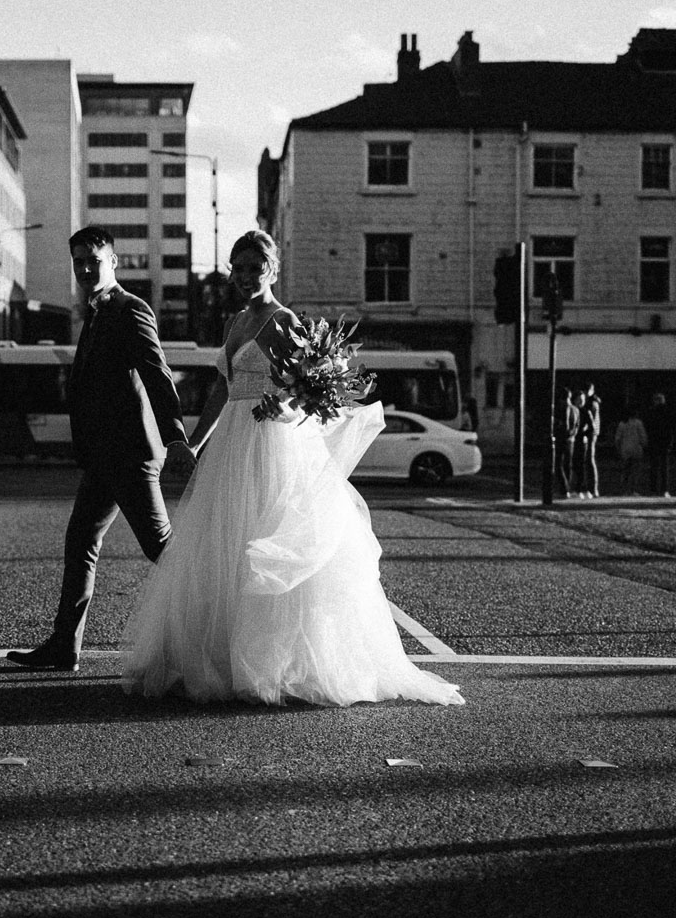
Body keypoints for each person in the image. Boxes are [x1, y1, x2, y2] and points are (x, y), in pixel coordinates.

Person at [121, 230, 462, 707]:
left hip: (268, 441)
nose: (243, 277)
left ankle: (270, 661)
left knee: (264, 537)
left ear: (273, 270)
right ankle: (218, 654)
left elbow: (304, 387)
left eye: (254, 268)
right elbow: (223, 388)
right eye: (237, 269)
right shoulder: (234, 322)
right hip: (232, 444)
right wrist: (194, 442)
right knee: (222, 541)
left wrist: (284, 404)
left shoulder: (283, 322)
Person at [6, 226, 195, 672]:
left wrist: (175, 438)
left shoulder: (130, 310)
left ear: (115, 261)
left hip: (129, 454)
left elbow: (157, 374)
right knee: (80, 541)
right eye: (78, 262)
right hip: (103, 457)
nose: (86, 269)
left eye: (94, 260)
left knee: (163, 549)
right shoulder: (93, 311)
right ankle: (63, 647)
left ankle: (216, 628)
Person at [643, 391, 675, 496]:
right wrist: (670, 442)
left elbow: (648, 428)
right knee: (664, 468)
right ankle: (664, 490)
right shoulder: (667, 412)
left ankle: (653, 490)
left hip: (654, 441)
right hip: (664, 442)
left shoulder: (651, 412)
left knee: (654, 467)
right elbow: (670, 429)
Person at [614, 407, 648, 495]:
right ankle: (633, 490)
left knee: (625, 471)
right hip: (636, 449)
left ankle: (625, 490)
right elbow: (643, 436)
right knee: (635, 471)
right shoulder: (638, 423)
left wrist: (618, 448)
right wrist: (644, 445)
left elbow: (617, 438)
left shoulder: (622, 424)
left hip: (625, 450)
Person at [577, 380, 602, 497]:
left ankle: (592, 488)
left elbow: (589, 421)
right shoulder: (594, 402)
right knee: (589, 460)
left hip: (590, 433)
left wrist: (584, 431)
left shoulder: (591, 403)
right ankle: (592, 488)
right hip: (593, 432)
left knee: (589, 459)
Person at [557, 387, 583, 498]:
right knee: (568, 464)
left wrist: (560, 427)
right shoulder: (576, 409)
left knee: (558, 464)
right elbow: (577, 425)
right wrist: (573, 434)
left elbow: (565, 425)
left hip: (563, 438)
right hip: (572, 440)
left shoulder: (565, 408)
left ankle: (564, 488)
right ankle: (567, 488)